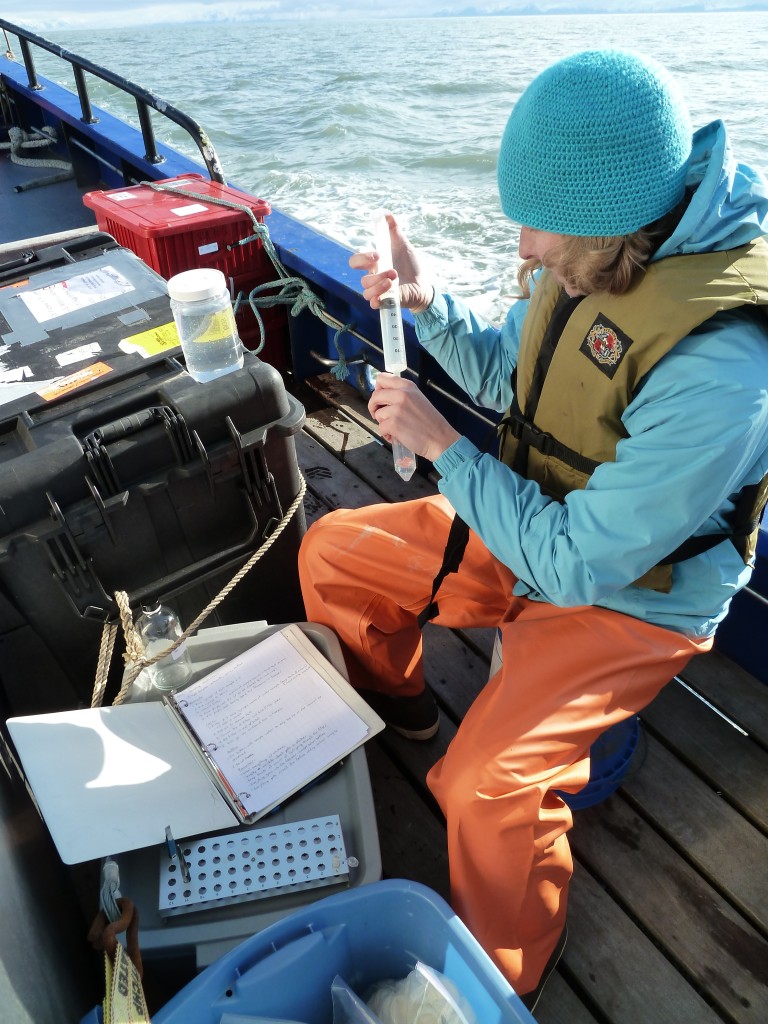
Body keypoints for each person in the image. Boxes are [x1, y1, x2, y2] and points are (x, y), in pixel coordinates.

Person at [298, 49, 768, 1009]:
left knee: (485, 790)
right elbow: (517, 372)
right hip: (532, 522)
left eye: (540, 226)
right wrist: (426, 304)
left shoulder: (723, 371)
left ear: (615, 226)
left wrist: (446, 453)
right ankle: (407, 710)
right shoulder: (600, 247)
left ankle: (505, 975)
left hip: (626, 597)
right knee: (333, 555)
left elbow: (581, 562)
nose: (522, 247)